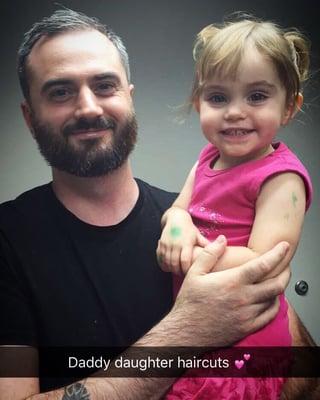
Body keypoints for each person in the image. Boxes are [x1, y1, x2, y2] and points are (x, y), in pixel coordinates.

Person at [0, 9, 312, 400]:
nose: (89, 107)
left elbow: (300, 366)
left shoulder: (194, 222)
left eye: (104, 85)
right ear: (30, 117)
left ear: (128, 98)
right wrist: (186, 333)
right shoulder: (8, 242)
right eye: (60, 91)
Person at [157, 17, 313, 399]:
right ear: (199, 103)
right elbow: (177, 208)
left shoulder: (281, 177)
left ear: (289, 107)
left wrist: (190, 255)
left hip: (249, 345)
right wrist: (176, 224)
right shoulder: (208, 157)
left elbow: (266, 260)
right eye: (218, 97)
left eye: (257, 96)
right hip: (206, 331)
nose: (234, 111)